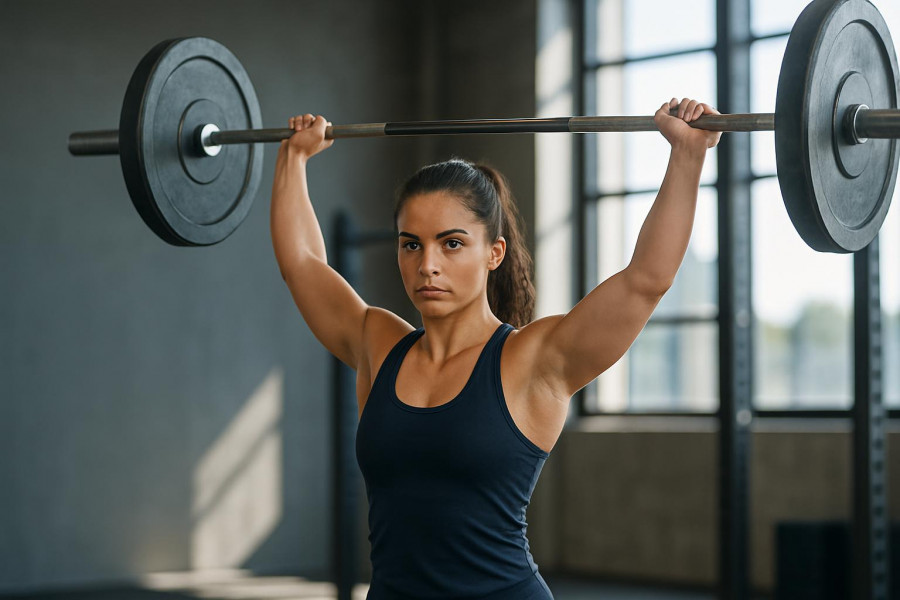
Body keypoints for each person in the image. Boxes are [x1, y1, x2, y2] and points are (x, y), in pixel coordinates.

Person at [270, 98, 721, 599]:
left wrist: (687, 156)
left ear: (494, 252)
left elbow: (645, 280)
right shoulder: (379, 344)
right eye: (411, 243)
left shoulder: (533, 359)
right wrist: (294, 158)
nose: (427, 265)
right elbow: (302, 264)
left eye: (452, 243)